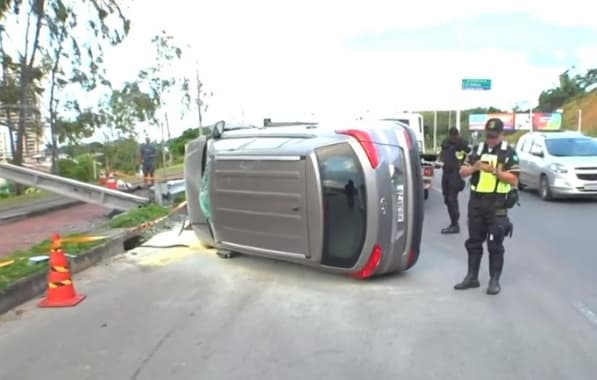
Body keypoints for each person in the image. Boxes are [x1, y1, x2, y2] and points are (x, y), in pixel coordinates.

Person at [455, 118, 519, 295]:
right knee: (474, 241)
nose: (490, 139)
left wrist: (497, 172)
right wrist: (475, 168)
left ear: (501, 135)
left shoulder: (508, 153)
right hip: (476, 202)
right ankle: (472, 277)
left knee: (495, 244)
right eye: (488, 136)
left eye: (494, 136)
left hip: (497, 203)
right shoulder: (477, 150)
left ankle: (494, 280)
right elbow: (462, 172)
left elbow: (514, 179)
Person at [439, 127, 471, 234]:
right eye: (452, 136)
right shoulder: (445, 142)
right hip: (446, 172)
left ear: (458, 135)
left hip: (455, 173)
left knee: (452, 199)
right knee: (447, 199)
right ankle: (453, 222)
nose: (453, 138)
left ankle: (454, 224)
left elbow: (469, 155)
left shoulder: (463, 144)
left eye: (455, 136)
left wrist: (464, 168)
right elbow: (442, 154)